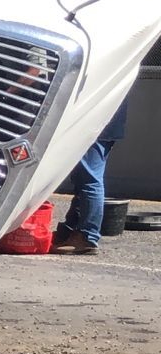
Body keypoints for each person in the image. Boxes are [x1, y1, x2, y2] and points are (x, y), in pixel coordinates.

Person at [54, 101, 128, 254]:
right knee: (82, 178)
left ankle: (87, 235)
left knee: (89, 179)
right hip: (104, 124)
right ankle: (72, 229)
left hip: (95, 125)